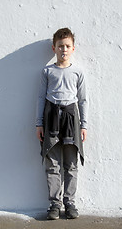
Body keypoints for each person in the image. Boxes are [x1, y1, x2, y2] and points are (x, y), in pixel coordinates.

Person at [35, 28, 88, 220]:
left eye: (67, 46)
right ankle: (54, 204)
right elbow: (41, 97)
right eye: (60, 46)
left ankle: (70, 202)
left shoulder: (78, 72)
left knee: (71, 163)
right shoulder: (47, 72)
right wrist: (39, 124)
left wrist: (84, 125)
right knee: (53, 163)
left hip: (71, 118)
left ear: (73, 48)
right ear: (54, 48)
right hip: (51, 118)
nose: (63, 49)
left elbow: (82, 100)